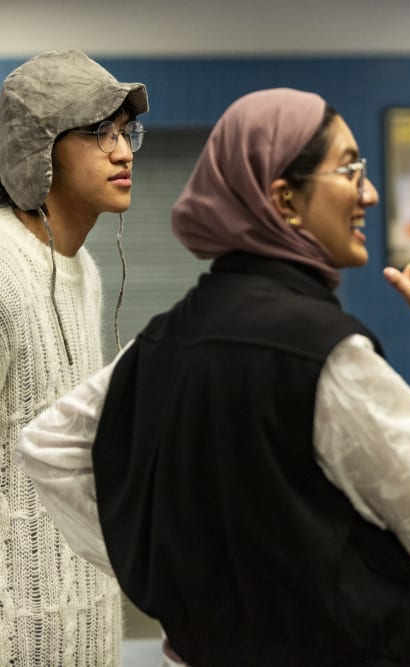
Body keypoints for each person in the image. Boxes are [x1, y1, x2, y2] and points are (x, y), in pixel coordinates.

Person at [15, 87, 410, 666]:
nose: (370, 192)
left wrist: (166, 570)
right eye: (349, 168)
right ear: (284, 199)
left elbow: (50, 445)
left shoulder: (163, 339)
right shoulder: (326, 354)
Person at [0, 49, 148, 665]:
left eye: (126, 132)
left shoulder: (83, 268)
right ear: (39, 149)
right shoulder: (3, 272)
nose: (124, 152)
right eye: (99, 132)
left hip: (85, 620)